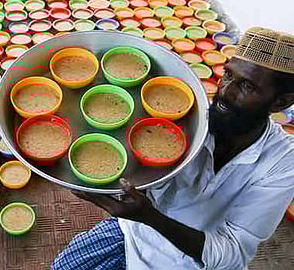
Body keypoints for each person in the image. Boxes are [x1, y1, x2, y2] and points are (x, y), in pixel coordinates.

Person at [51, 27, 294, 270]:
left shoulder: (282, 163)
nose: (225, 92)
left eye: (247, 87)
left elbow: (232, 252)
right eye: (228, 74)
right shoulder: (188, 118)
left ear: (280, 102)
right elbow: (142, 174)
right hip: (133, 233)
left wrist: (149, 216)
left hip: (190, 261)